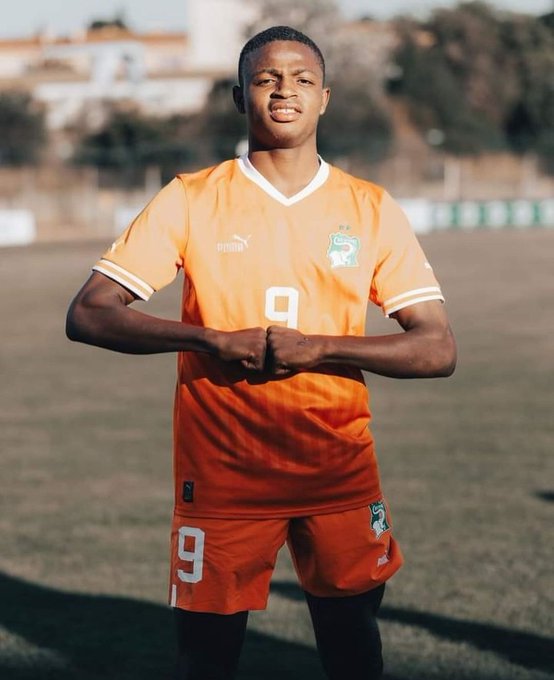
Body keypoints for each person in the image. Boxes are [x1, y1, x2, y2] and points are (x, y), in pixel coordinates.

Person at [66, 25, 456, 680]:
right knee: (206, 660)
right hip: (223, 476)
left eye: (303, 79)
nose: (284, 91)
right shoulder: (191, 198)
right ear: (239, 95)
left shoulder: (369, 207)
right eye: (267, 78)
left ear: (324, 98)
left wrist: (321, 348)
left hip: (338, 473)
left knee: (354, 652)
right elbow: (88, 313)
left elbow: (437, 347)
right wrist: (207, 338)